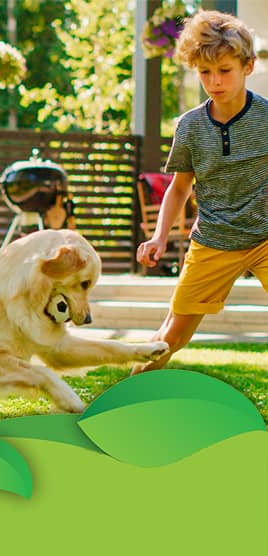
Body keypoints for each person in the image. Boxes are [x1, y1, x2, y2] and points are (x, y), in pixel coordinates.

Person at [133, 10, 267, 374]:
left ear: (248, 66)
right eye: (205, 72)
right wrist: (159, 238)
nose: (214, 81)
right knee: (171, 337)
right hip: (214, 240)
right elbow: (179, 188)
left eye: (224, 70)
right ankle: (122, 403)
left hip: (265, 238)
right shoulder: (190, 127)